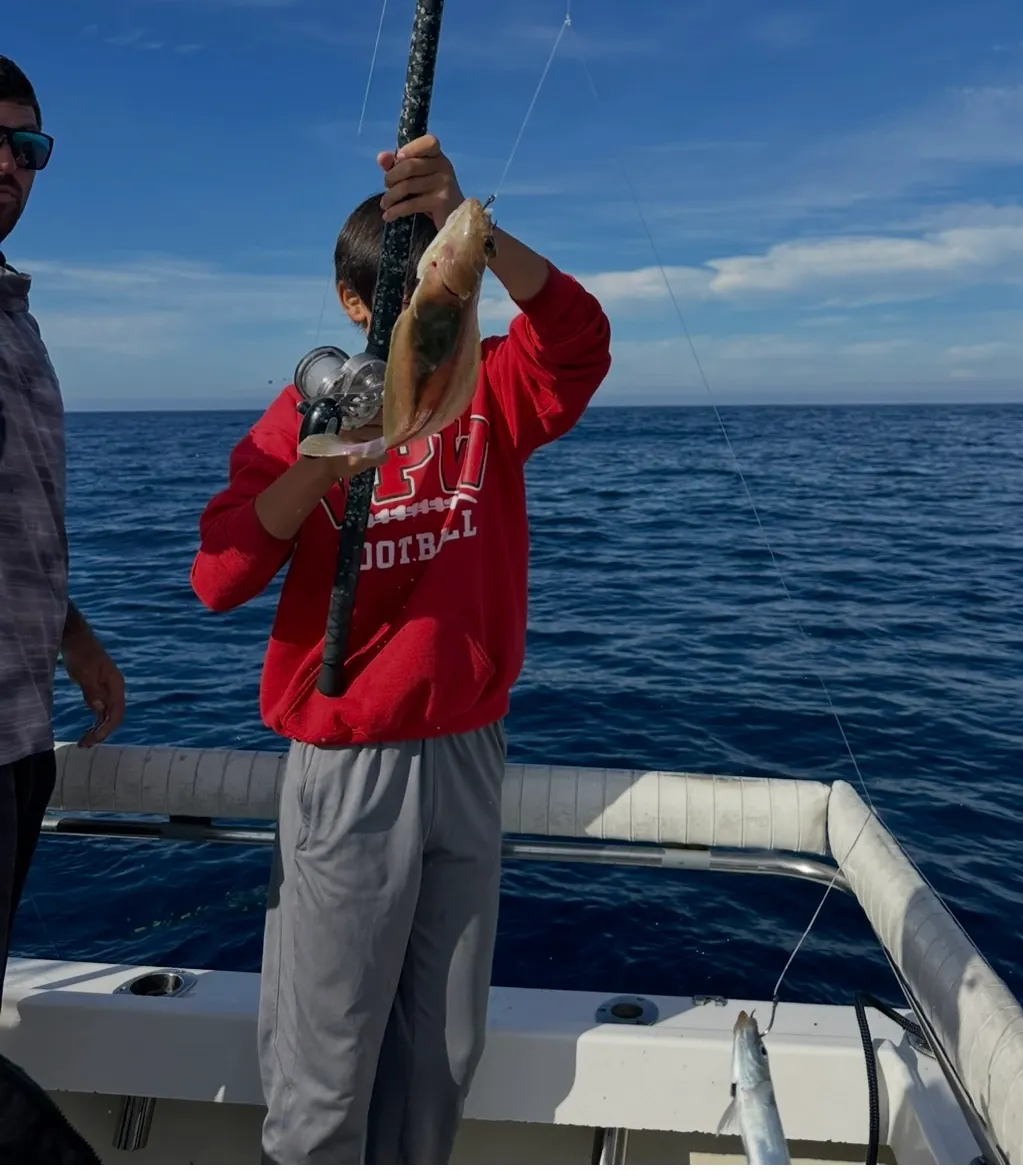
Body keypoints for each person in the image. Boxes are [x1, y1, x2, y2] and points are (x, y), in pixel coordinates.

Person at [190, 135, 612, 1164]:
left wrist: (477, 232)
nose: (434, 302)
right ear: (349, 304)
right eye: (405, 284)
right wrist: (324, 466)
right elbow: (218, 576)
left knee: (442, 1056)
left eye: (444, 283)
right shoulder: (302, 419)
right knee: (325, 1065)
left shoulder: (494, 392)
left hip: (470, 751)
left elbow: (581, 340)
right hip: (347, 760)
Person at [0, 56, 125, 989]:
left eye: (27, 146)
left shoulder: (20, 321)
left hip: (19, 733)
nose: (8, 162)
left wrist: (72, 638)